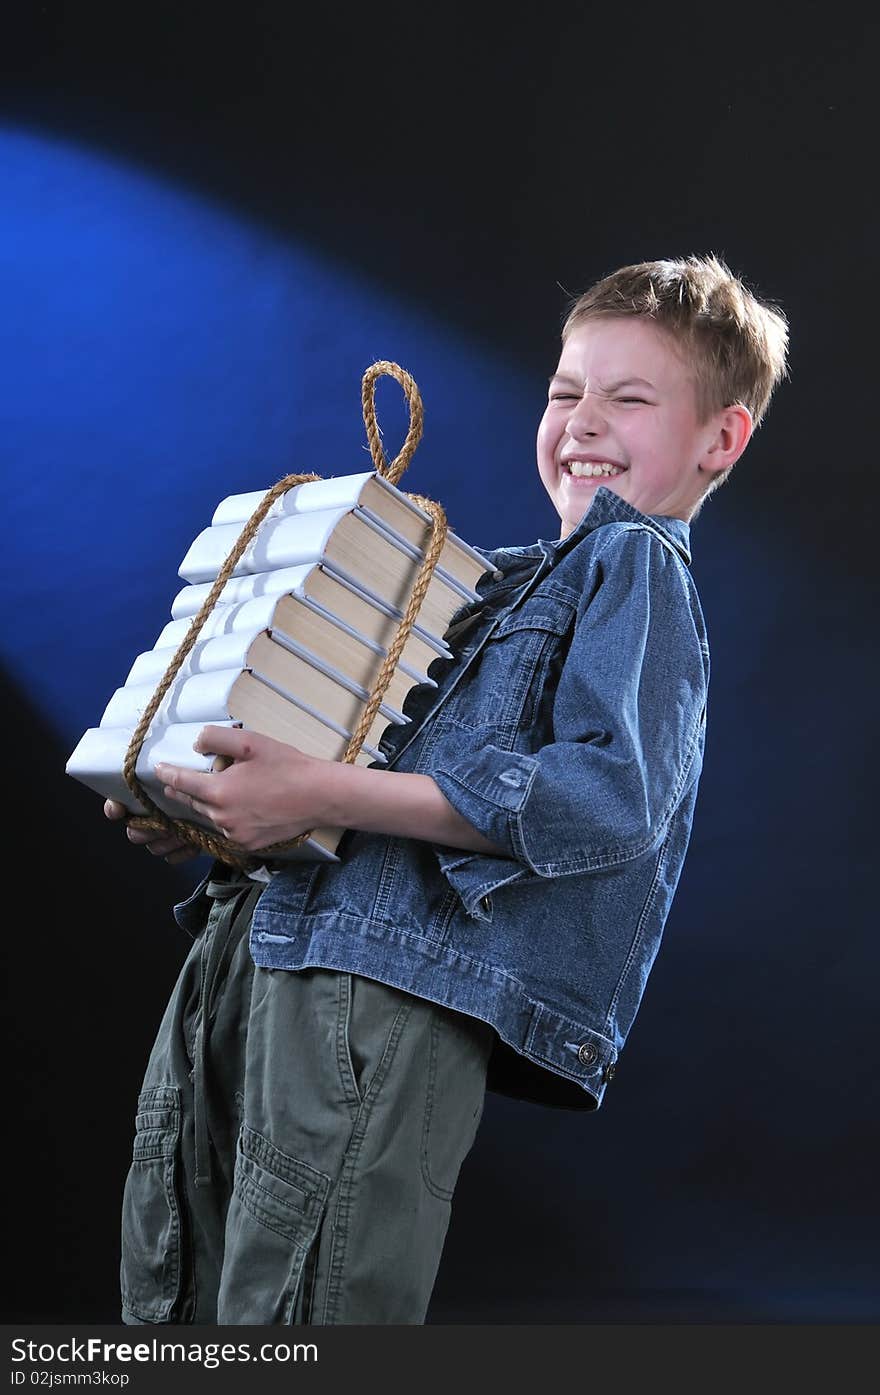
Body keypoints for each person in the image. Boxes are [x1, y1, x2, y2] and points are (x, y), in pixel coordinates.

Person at [106, 253, 789, 1325]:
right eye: (566, 392)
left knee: (310, 1308)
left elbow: (602, 797)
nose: (581, 422)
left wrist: (317, 793)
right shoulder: (492, 581)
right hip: (266, 948)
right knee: (192, 1287)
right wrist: (220, 814)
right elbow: (356, 774)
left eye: (628, 397)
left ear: (721, 438)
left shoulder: (638, 568)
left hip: (373, 995)